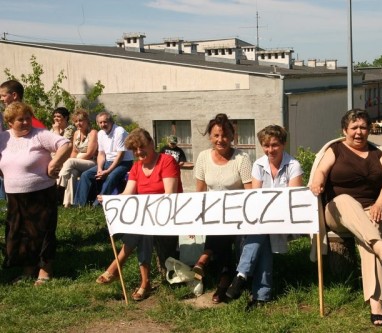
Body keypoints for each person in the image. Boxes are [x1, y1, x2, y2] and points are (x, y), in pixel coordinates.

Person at [309, 109, 382, 326]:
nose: (359, 132)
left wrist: (380, 204)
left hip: (368, 212)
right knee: (344, 199)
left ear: (369, 130)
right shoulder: (335, 149)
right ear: (345, 130)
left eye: (363, 127)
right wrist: (317, 181)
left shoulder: (378, 153)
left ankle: (376, 303)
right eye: (354, 128)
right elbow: (321, 171)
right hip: (336, 212)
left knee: (370, 238)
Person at [95, 128, 182, 301]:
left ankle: (117, 266)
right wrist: (110, 199)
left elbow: (169, 194)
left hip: (168, 215)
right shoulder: (136, 167)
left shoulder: (167, 161)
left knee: (142, 229)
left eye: (141, 147)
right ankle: (144, 282)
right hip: (147, 218)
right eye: (134, 150)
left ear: (151, 144)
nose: (138, 152)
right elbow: (128, 193)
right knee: (144, 232)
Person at [225, 125, 303, 310]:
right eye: (266, 145)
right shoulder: (258, 164)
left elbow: (292, 200)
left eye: (274, 145)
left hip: (285, 220)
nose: (270, 150)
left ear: (283, 144)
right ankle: (261, 296)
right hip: (263, 220)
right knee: (262, 239)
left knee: (260, 234)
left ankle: (242, 274)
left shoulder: (293, 165)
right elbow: (256, 197)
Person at [0, 102, 71, 285]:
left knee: (43, 232)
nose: (25, 122)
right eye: (20, 119)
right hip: (15, 195)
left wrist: (54, 163)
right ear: (9, 123)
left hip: (41, 192)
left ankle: (45, 271)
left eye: (27, 118)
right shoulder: (3, 139)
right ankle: (28, 269)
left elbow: (65, 144)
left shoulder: (40, 135)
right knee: (22, 233)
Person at [192, 113, 252, 304]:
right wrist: (197, 216)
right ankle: (223, 285)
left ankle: (205, 257)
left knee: (222, 236)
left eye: (225, 135)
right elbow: (200, 190)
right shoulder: (203, 157)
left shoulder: (242, 158)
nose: (221, 140)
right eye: (216, 135)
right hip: (213, 213)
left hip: (238, 213)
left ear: (232, 137)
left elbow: (250, 192)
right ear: (210, 137)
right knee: (221, 238)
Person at [73, 111, 134, 206]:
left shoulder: (119, 131)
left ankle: (97, 204)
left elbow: (120, 155)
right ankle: (80, 205)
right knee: (86, 175)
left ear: (111, 122)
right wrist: (100, 169)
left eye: (105, 122)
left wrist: (108, 171)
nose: (103, 124)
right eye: (100, 122)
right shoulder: (101, 133)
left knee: (111, 177)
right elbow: (101, 154)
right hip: (108, 162)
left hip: (123, 162)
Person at [57, 109, 98, 207]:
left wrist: (74, 160)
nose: (78, 123)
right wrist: (73, 161)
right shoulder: (76, 133)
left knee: (70, 162)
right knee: (72, 173)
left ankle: (58, 185)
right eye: (76, 121)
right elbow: (74, 152)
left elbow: (90, 153)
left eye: (80, 121)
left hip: (91, 162)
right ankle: (69, 203)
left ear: (87, 121)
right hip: (79, 163)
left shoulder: (93, 133)